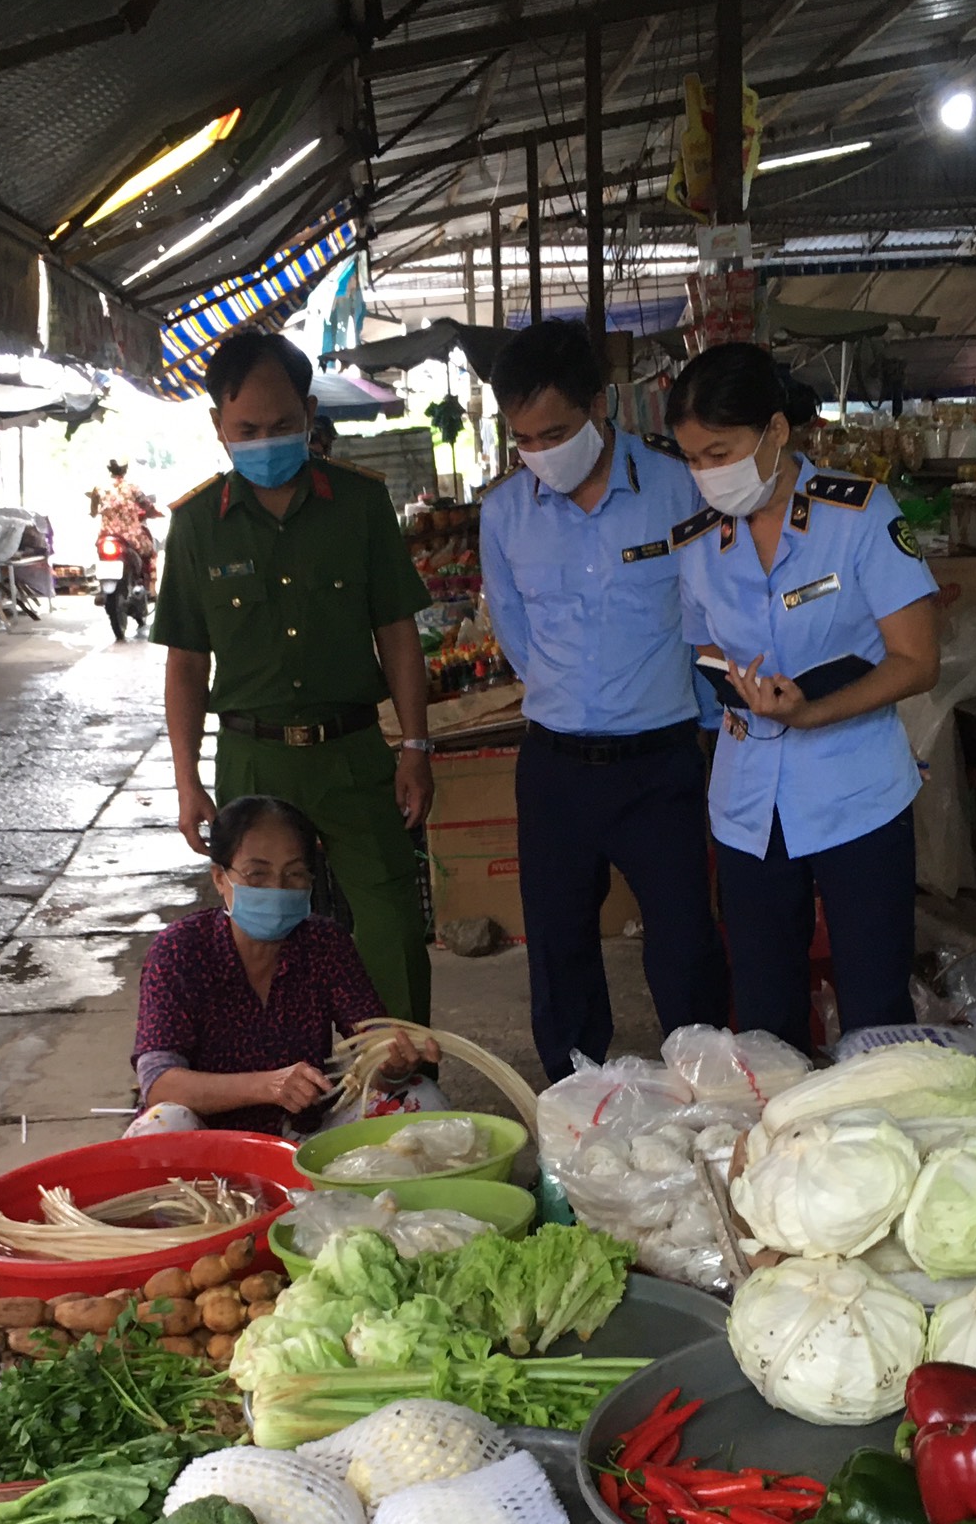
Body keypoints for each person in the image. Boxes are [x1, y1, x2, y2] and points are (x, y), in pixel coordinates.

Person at [665, 341, 940, 1054]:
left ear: (777, 431)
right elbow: (704, 650)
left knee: (875, 1008)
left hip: (857, 795)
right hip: (748, 803)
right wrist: (734, 688)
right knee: (763, 1014)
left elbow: (917, 661)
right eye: (691, 459)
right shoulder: (698, 542)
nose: (706, 473)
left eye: (720, 452)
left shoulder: (860, 515)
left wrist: (810, 711)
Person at [153, 331, 435, 1023]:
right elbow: (186, 663)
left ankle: (399, 1072)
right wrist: (187, 781)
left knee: (392, 924)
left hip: (354, 757)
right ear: (218, 425)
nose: (265, 441)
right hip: (254, 761)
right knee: (263, 932)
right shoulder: (197, 525)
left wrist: (416, 746)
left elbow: (397, 631)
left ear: (309, 414)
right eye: (246, 429)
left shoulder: (360, 505)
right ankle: (280, 1070)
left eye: (282, 425)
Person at [479, 320, 729, 1080]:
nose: (541, 453)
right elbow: (517, 635)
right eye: (524, 439)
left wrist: (706, 732)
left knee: (685, 945)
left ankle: (704, 1094)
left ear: (599, 404)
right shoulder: (505, 514)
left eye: (555, 433)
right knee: (559, 952)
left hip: (660, 766)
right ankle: (576, 1097)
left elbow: (711, 620)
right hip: (554, 769)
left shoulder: (680, 489)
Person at [127, 796, 437, 1136]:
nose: (277, 888)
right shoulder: (180, 950)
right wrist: (269, 1086)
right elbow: (159, 1083)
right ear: (220, 878)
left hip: (304, 1135)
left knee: (420, 1098)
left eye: (294, 874)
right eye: (257, 874)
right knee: (165, 1122)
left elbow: (370, 1042)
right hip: (211, 1142)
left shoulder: (324, 944)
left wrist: (391, 1064)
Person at [91, 457, 159, 638]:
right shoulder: (133, 488)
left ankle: (101, 587)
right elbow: (147, 506)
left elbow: (93, 510)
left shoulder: (99, 488)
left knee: (101, 556)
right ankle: (151, 589)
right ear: (125, 470)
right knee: (150, 553)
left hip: (106, 537)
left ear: (109, 469)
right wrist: (154, 513)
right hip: (130, 538)